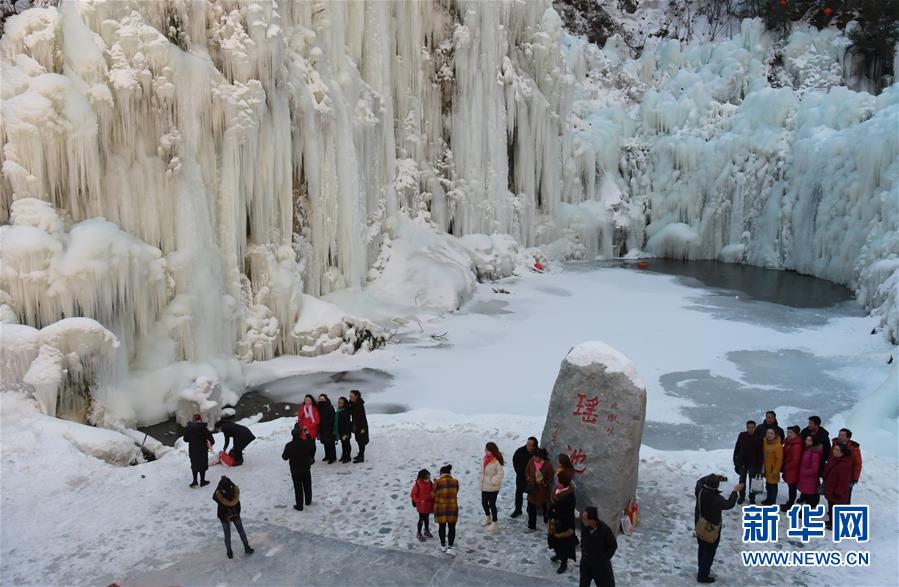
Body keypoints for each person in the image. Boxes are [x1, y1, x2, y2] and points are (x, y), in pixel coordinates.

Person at [694, 474, 742, 584]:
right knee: (709, 552)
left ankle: (701, 568)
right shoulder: (716, 499)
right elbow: (729, 504)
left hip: (699, 525)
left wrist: (713, 477)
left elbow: (699, 480)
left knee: (702, 547)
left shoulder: (700, 490)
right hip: (711, 529)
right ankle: (703, 575)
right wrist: (735, 491)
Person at [212, 476, 254, 559]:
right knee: (241, 531)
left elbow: (214, 496)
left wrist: (219, 485)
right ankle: (247, 547)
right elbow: (237, 498)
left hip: (224, 515)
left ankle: (229, 552)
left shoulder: (219, 494)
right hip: (235, 513)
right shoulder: (234, 492)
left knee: (227, 534)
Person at [547, 471, 578, 574]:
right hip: (554, 522)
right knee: (554, 540)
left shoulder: (569, 497)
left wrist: (555, 515)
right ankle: (557, 554)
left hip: (564, 524)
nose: (556, 483)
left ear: (563, 483)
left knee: (563, 545)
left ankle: (563, 563)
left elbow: (567, 513)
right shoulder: (557, 490)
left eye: (558, 482)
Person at [579, 506, 617, 587]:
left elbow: (613, 546)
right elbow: (583, 537)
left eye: (585, 519)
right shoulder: (584, 525)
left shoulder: (604, 530)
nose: (582, 520)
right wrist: (583, 548)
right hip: (586, 563)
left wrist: (603, 559)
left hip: (600, 566)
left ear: (592, 520)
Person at [282, 426, 314, 511]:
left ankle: (299, 506)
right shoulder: (306, 443)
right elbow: (312, 446)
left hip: (295, 470)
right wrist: (307, 433)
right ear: (300, 435)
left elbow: (284, 457)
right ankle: (308, 501)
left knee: (298, 488)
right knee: (307, 485)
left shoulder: (289, 445)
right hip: (306, 468)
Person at [823, 443, 853, 530]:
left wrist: (838, 492)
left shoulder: (844, 465)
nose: (834, 451)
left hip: (836, 492)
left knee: (835, 508)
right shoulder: (834, 459)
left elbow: (844, 481)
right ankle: (831, 521)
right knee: (831, 507)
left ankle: (835, 524)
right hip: (830, 489)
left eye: (837, 450)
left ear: (842, 453)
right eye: (834, 449)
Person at [732, 420, 763, 504]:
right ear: (747, 427)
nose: (750, 429)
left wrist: (759, 467)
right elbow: (737, 449)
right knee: (742, 481)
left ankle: (752, 498)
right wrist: (736, 462)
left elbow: (760, 453)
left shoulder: (759, 437)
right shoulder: (742, 435)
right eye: (749, 427)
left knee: (752, 481)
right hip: (742, 463)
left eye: (752, 428)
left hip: (753, 464)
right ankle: (741, 497)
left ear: (755, 428)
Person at [525, 448, 553, 531]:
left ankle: (546, 516)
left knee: (544, 504)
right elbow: (526, 470)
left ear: (541, 457)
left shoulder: (547, 465)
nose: (534, 458)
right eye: (534, 456)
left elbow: (551, 476)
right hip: (532, 489)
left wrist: (546, 483)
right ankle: (531, 525)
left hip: (542, 490)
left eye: (536, 457)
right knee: (531, 507)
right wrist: (528, 478)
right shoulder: (531, 461)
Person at [479, 442, 505, 532]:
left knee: (492, 504)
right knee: (484, 503)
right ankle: (487, 516)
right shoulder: (485, 459)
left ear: (493, 451)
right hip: (484, 486)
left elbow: (500, 474)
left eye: (488, 450)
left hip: (493, 487)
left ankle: (495, 521)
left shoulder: (497, 461)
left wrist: (493, 481)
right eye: (485, 450)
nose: (486, 452)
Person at [434, 464, 459, 556]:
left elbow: (433, 495)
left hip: (441, 508)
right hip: (452, 507)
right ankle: (450, 547)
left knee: (442, 527)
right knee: (452, 528)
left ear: (441, 473)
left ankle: (443, 545)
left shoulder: (437, 482)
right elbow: (455, 492)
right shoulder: (455, 482)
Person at [831, 428, 862, 502]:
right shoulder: (835, 444)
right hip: (834, 474)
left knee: (845, 497)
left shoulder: (853, 448)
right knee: (832, 493)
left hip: (847, 477)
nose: (839, 437)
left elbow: (857, 464)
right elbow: (830, 458)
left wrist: (854, 479)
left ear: (848, 438)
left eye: (842, 435)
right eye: (839, 435)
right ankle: (832, 510)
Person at [183, 414, 214, 487]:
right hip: (202, 451)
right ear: (200, 419)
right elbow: (212, 440)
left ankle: (195, 481)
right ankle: (202, 481)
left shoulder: (189, 429)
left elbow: (185, 439)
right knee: (202, 465)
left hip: (193, 450)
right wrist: (208, 444)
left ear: (193, 420)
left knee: (194, 465)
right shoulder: (204, 428)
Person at [511, 437, 538, 518]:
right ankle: (518, 509)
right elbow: (515, 461)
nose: (528, 447)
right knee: (519, 493)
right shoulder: (520, 451)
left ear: (535, 446)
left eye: (530, 445)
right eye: (527, 444)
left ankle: (530, 509)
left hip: (532, 478)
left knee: (532, 494)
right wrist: (519, 473)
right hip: (521, 477)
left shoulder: (537, 453)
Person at [780, 425, 803, 511]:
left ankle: (790, 503)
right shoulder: (789, 442)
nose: (789, 434)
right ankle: (790, 502)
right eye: (788, 432)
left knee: (792, 487)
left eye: (791, 433)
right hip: (789, 469)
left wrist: (785, 467)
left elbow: (795, 461)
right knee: (791, 487)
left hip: (792, 470)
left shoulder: (796, 446)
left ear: (796, 434)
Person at [797, 435, 823, 507]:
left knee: (810, 496)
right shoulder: (808, 450)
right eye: (806, 440)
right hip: (805, 478)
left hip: (810, 479)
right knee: (806, 493)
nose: (807, 442)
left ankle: (808, 511)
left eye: (809, 441)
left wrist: (804, 472)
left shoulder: (814, 454)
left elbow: (814, 469)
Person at [410, 469, 435, 541]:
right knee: (421, 519)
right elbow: (413, 495)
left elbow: (434, 489)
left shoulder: (430, 482)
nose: (428, 479)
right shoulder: (417, 484)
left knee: (426, 518)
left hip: (428, 504)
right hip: (421, 506)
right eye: (427, 478)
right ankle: (419, 533)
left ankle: (426, 530)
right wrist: (419, 501)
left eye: (429, 477)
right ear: (421, 478)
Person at [761, 428, 783, 505]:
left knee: (773, 486)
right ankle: (768, 499)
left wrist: (776, 471)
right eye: (768, 433)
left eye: (771, 433)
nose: (769, 435)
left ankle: (772, 501)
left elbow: (779, 459)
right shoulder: (765, 442)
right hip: (766, 468)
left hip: (773, 469)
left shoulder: (778, 445)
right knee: (768, 485)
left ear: (775, 435)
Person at [297, 394, 320, 463]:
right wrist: (300, 425)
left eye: (309, 400)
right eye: (306, 400)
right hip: (303, 429)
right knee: (305, 444)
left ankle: (312, 457)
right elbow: (299, 417)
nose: (307, 401)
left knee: (312, 444)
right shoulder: (302, 408)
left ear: (312, 401)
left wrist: (309, 426)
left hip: (312, 429)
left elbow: (317, 420)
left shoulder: (314, 409)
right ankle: (307, 457)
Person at [349, 389, 369, 463]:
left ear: (356, 396)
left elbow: (363, 417)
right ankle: (360, 454)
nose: (350, 397)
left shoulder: (359, 405)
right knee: (358, 440)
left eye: (351, 396)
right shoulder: (351, 403)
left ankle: (361, 456)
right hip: (355, 425)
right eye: (350, 396)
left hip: (361, 426)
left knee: (362, 441)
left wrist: (363, 428)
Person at [317, 394, 337, 464]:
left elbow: (333, 417)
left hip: (329, 428)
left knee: (331, 443)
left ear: (326, 399)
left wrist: (328, 424)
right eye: (320, 399)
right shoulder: (319, 407)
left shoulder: (330, 407)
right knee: (325, 442)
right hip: (322, 428)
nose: (321, 400)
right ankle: (327, 455)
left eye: (323, 399)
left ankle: (333, 457)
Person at [336, 396, 352, 463]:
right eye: (339, 402)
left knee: (347, 444)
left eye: (341, 402)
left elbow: (348, 424)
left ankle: (348, 457)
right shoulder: (339, 410)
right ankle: (344, 455)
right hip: (341, 431)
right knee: (343, 444)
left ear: (344, 403)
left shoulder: (346, 411)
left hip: (346, 432)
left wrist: (346, 434)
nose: (339, 404)